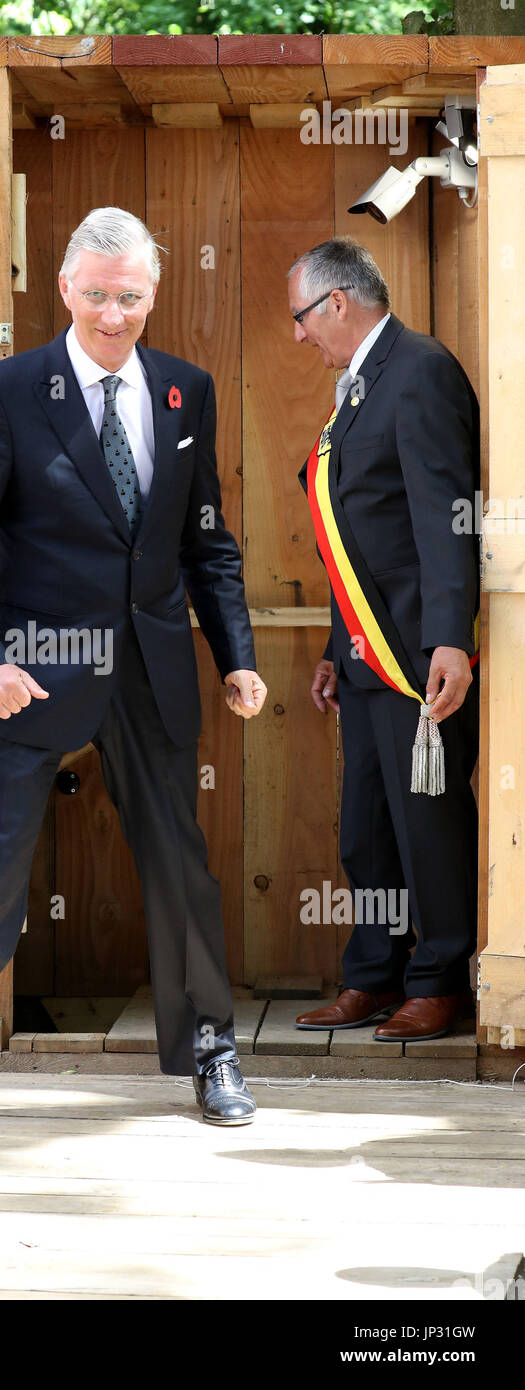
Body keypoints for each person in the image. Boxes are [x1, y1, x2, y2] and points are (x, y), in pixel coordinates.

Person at [0, 205, 267, 1154]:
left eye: (133, 296)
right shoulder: (5, 392)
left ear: (154, 293)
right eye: (99, 294)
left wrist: (235, 656)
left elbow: (206, 542)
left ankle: (212, 1054)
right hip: (29, 672)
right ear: (65, 288)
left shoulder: (186, 391)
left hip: (152, 668)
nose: (115, 313)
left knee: (180, 869)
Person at [288, 237, 479, 1042]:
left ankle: (438, 979)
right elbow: (357, 535)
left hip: (416, 659)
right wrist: (337, 647)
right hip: (366, 656)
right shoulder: (357, 385)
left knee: (424, 817)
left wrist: (448, 639)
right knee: (365, 825)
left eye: (301, 317)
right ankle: (373, 972)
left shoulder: (419, 368)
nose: (297, 335)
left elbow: (442, 519)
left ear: (337, 302)